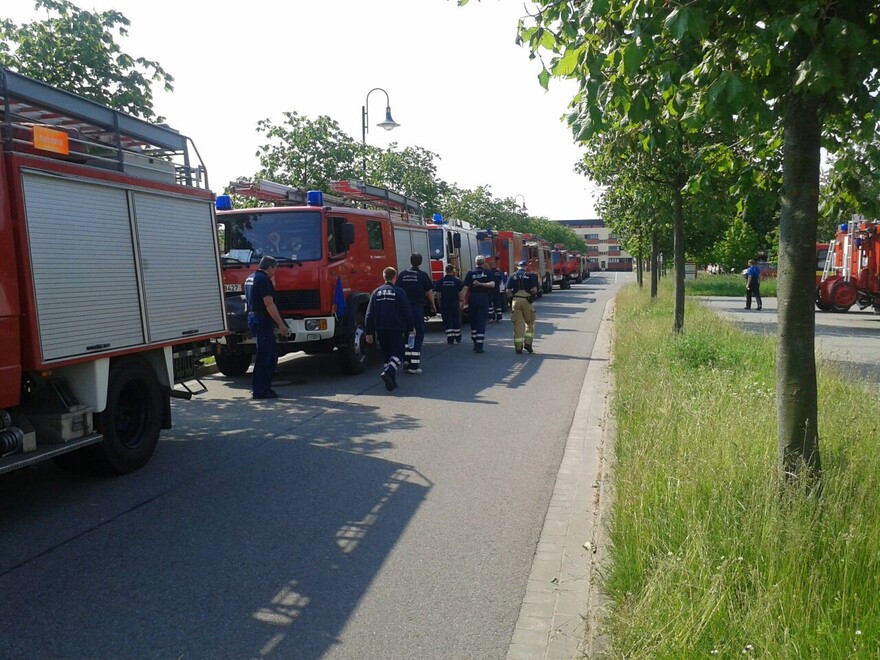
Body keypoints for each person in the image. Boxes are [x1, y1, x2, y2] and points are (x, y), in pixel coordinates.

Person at [244, 255, 291, 399]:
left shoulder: (250, 277)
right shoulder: (263, 279)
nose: (274, 272)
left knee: (265, 354)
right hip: (262, 319)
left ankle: (261, 388)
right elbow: (269, 303)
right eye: (274, 269)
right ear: (270, 267)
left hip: (252, 317)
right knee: (267, 356)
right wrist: (281, 325)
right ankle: (261, 390)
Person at [365, 267, 414, 392]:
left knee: (386, 354)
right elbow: (407, 311)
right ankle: (389, 371)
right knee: (399, 352)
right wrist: (411, 327)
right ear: (395, 277)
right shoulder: (399, 292)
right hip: (396, 327)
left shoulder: (376, 292)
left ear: (383, 276)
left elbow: (369, 313)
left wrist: (368, 331)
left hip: (381, 327)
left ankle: (390, 382)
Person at [396, 253, 437, 373]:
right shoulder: (422, 275)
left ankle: (406, 361)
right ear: (420, 262)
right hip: (416, 309)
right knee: (417, 334)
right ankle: (414, 365)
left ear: (410, 261)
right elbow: (429, 292)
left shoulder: (402, 274)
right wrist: (433, 305)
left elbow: (398, 290)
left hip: (404, 309)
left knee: (406, 334)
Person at [463, 255, 495, 353]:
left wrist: (462, 301)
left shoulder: (470, 273)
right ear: (484, 262)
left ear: (475, 262)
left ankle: (475, 341)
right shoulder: (487, 273)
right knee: (481, 321)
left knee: (473, 321)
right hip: (483, 298)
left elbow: (465, 288)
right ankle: (479, 346)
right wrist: (482, 284)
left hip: (473, 298)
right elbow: (492, 284)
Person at [506, 260, 539, 354]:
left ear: (518, 267)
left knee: (518, 324)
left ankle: (518, 347)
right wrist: (532, 294)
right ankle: (528, 343)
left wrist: (511, 298)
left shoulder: (512, 276)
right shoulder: (530, 275)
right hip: (526, 300)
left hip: (516, 301)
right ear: (525, 266)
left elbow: (508, 291)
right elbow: (535, 290)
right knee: (530, 323)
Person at [434, 264, 464, 344]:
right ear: (453, 271)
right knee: (456, 320)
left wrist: (439, 304)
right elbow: (461, 293)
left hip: (445, 303)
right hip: (454, 303)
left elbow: (438, 294)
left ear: (445, 271)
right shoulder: (457, 281)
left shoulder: (440, 281)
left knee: (447, 321)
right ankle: (457, 337)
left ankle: (450, 338)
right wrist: (461, 302)